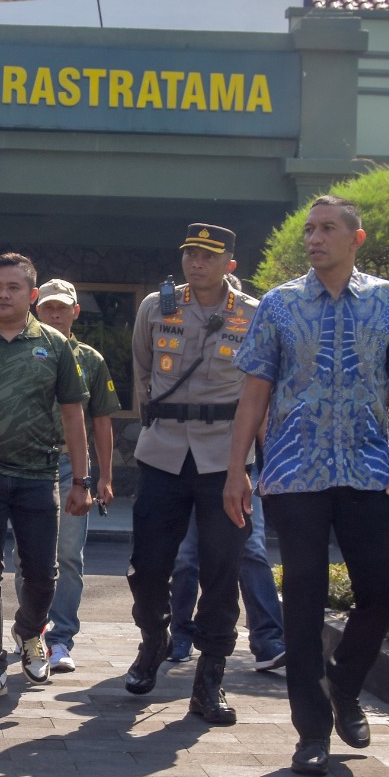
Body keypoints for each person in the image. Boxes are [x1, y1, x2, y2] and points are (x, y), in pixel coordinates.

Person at [224, 195, 389, 777]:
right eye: (310, 229)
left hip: (368, 468)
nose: (314, 238)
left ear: (355, 239)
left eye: (327, 228)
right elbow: (254, 394)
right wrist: (237, 470)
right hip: (294, 473)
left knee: (383, 590)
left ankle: (344, 684)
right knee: (305, 601)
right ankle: (311, 733)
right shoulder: (281, 306)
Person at [125, 223, 260, 727]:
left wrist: (252, 463)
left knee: (223, 568)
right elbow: (142, 371)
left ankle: (210, 677)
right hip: (163, 452)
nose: (196, 263)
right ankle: (153, 639)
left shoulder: (253, 314)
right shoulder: (156, 308)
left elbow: (260, 387)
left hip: (225, 457)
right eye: (189, 254)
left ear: (230, 262)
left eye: (208, 255)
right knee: (147, 563)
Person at [0, 253, 92, 703]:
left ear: (32, 296)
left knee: (42, 575)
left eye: (13, 287)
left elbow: (74, 415)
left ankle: (31, 631)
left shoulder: (55, 345)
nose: (3, 294)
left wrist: (81, 479)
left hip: (38, 475)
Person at [21, 278, 119, 673]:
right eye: (48, 307)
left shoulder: (91, 359)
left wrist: (104, 476)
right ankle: (30, 635)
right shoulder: (23, 350)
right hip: (27, 462)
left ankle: (60, 639)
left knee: (69, 556)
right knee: (27, 558)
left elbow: (102, 422)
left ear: (76, 311)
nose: (55, 313)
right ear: (37, 309)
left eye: (63, 307)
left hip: (68, 465)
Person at [166, 499, 286, 674]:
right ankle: (181, 634)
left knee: (252, 549)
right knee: (186, 555)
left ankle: (267, 639)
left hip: (244, 478)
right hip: (190, 476)